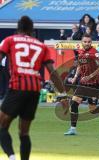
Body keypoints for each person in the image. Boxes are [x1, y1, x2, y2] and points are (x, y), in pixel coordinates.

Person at [0, 16, 67, 160]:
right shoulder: (41, 46)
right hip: (34, 90)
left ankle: (11, 157)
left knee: (2, 126)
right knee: (24, 132)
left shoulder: (10, 40)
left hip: (17, 86)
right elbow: (53, 72)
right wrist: (63, 94)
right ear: (32, 30)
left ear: (18, 29)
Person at [64, 34, 99, 135]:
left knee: (92, 110)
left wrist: (90, 76)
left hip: (94, 83)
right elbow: (80, 66)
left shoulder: (95, 53)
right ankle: (72, 129)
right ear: (82, 42)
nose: (87, 43)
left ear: (91, 42)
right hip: (83, 83)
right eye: (85, 41)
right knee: (74, 103)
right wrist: (75, 77)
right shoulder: (80, 52)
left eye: (89, 42)